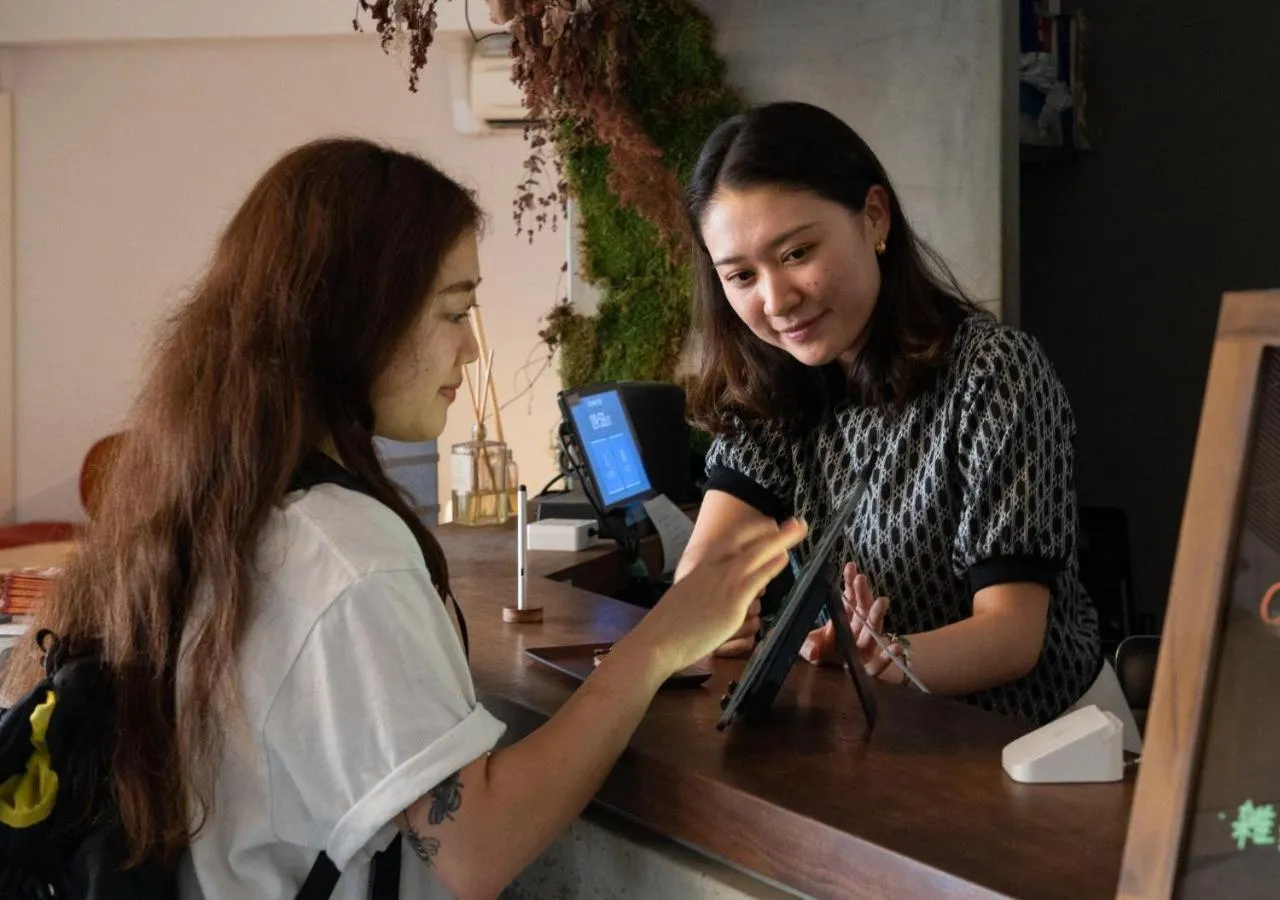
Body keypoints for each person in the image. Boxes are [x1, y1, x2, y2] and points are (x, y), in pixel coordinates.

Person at [0, 139, 807, 898]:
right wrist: (661, 642)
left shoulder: (223, 502)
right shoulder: (345, 556)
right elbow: (476, 847)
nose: (471, 352)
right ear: (361, 316)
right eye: (455, 312)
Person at [675, 101, 1113, 730]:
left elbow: (1014, 635)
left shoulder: (994, 371)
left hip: (1039, 745)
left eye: (797, 253)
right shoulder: (772, 388)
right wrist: (713, 619)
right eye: (741, 275)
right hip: (878, 741)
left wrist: (887, 657)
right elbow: (703, 576)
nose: (775, 300)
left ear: (874, 217)